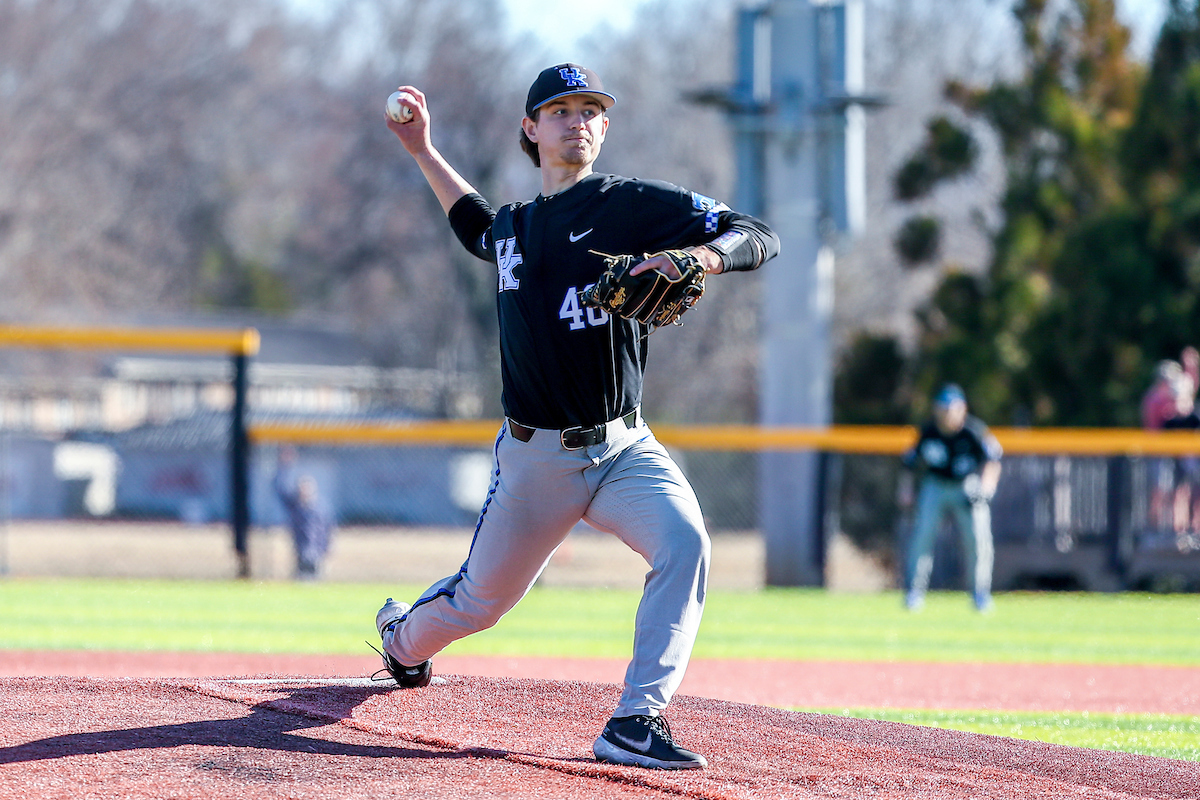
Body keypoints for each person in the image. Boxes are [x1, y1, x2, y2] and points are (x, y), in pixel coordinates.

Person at [375, 64, 779, 770]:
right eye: (560, 110)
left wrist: (701, 257)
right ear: (531, 130)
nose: (578, 120)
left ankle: (635, 719)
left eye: (591, 109)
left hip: (625, 446)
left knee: (686, 544)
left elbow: (756, 233)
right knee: (480, 604)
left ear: (605, 126)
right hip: (536, 460)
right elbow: (474, 225)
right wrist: (422, 151)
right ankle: (401, 642)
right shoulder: (516, 228)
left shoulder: (627, 207)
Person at [898, 384, 1002, 612]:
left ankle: (980, 594)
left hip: (966, 485)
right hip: (935, 485)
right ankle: (914, 593)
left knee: (978, 540)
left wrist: (985, 489)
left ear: (962, 409)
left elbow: (993, 459)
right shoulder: (928, 431)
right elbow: (908, 463)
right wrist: (906, 491)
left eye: (951, 409)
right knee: (922, 536)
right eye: (943, 409)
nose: (947, 414)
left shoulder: (973, 431)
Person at [273, 446, 335, 580]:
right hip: (300, 553)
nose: (305, 491)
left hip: (317, 555)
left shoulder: (321, 510)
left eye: (308, 488)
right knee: (300, 583)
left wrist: (326, 549)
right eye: (302, 488)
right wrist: (284, 466)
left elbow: (328, 531)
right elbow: (280, 488)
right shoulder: (296, 506)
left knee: (316, 583)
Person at [1163, 372, 1200, 546]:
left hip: (1195, 464)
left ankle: (1196, 530)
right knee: (1179, 495)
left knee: (1196, 496)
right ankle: (1180, 532)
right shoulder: (1170, 422)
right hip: (1177, 464)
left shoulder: (1195, 418)